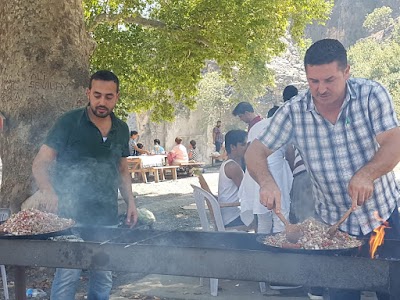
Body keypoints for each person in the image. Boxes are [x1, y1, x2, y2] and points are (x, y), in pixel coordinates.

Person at [245, 39, 400, 300]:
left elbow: (394, 141)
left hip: (382, 218)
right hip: (333, 230)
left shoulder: (371, 94)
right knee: (340, 295)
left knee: (393, 290)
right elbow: (255, 151)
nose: (321, 89)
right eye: (313, 81)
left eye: (329, 80)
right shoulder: (295, 111)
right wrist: (266, 182)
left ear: (347, 71)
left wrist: (367, 174)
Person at [32, 70, 138, 300]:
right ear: (88, 93)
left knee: (103, 276)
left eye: (108, 96)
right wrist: (48, 190)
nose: (102, 101)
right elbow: (40, 163)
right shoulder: (68, 123)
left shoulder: (121, 128)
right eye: (97, 95)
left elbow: (122, 170)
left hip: (106, 216)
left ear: (117, 96)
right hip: (71, 216)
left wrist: (131, 202)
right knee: (68, 275)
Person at [239, 111, 293, 234]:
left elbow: (248, 150)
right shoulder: (284, 125)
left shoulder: (256, 126)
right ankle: (280, 249)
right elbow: (290, 153)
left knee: (263, 218)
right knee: (280, 213)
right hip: (275, 170)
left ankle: (262, 251)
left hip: (255, 171)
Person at [218, 130, 248, 227]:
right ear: (232, 147)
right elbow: (246, 193)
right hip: (233, 217)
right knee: (265, 217)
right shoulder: (232, 167)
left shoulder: (227, 164)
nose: (246, 148)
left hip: (228, 215)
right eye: (243, 145)